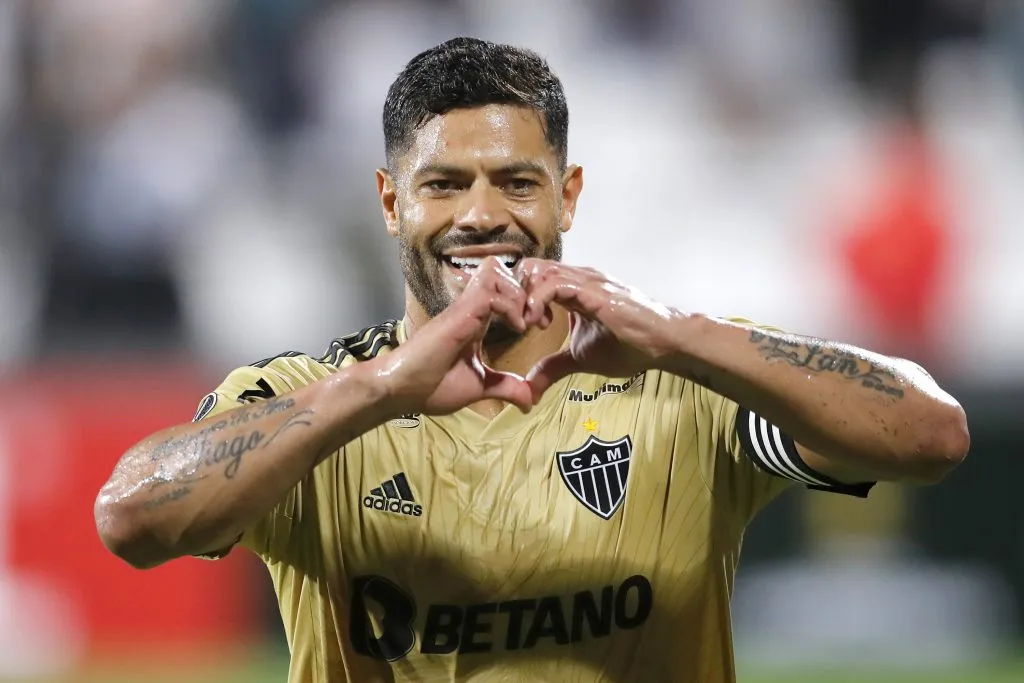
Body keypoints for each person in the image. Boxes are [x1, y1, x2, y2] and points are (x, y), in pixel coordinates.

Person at [94, 37, 970, 683]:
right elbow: (131, 518)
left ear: (569, 194)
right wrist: (384, 387)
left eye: (516, 182)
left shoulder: (677, 385)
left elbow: (930, 434)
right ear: (390, 202)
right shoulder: (313, 401)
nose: (481, 215)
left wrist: (681, 334)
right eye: (444, 185)